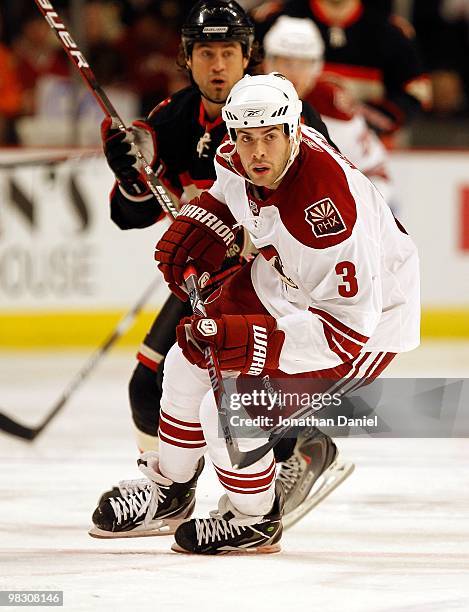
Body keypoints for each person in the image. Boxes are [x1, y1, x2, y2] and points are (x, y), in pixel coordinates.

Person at [91, 72, 420, 554]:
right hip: (287, 279)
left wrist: (255, 342)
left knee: (230, 407)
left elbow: (348, 329)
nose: (258, 152)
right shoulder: (235, 155)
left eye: (270, 137)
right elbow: (228, 197)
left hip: (366, 323)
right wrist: (202, 223)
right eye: (247, 138)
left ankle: (254, 517)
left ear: (293, 131)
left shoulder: (326, 215)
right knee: (186, 357)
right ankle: (171, 490)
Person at [96, 0, 341, 531]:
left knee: (250, 388)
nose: (217, 65)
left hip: (275, 281)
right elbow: (126, 215)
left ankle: (299, 455)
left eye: (228, 51)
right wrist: (132, 175)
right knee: (148, 388)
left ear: (247, 55)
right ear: (187, 58)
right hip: (208, 281)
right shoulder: (171, 119)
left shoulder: (283, 112)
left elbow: (323, 194)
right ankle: (170, 487)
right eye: (206, 51)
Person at [263, 15, 393, 202]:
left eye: (304, 63)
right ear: (269, 63)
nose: (294, 72)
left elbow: (374, 172)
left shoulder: (333, 104)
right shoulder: (248, 99)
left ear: (317, 66)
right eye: (286, 62)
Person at [253, 0, 431, 135]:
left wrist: (357, 120)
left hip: (365, 154)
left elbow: (414, 97)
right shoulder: (269, 22)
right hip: (276, 144)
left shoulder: (391, 33)